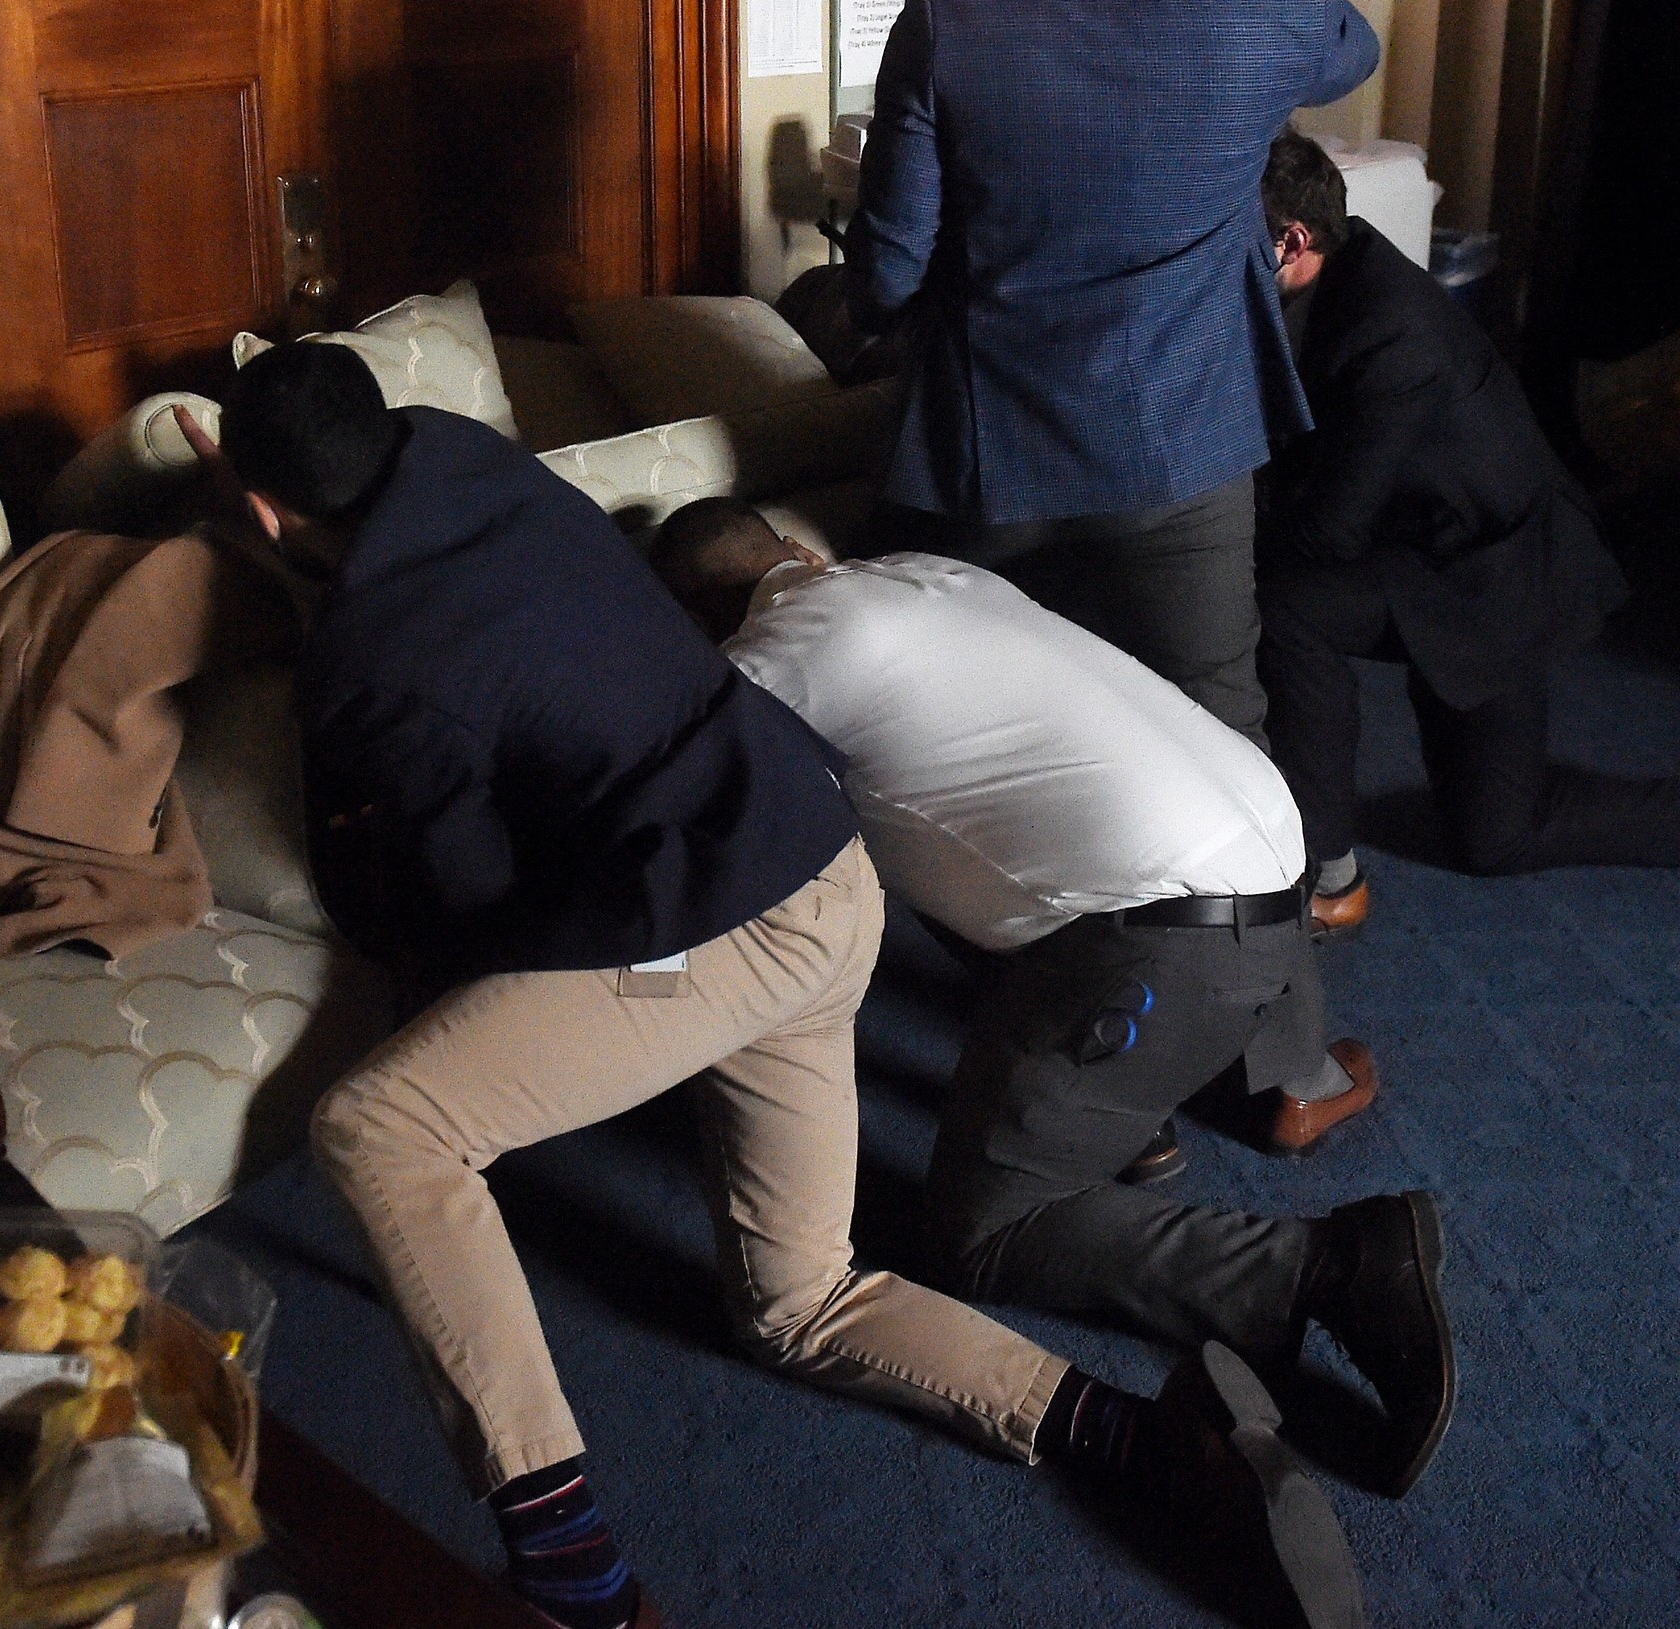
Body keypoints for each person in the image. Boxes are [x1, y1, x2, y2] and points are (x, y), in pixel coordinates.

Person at [205, 346, 1368, 1629]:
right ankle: (1152, 1445)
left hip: (718, 935)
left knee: (383, 1126)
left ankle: (576, 1579)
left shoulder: (369, 656)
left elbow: (459, 899)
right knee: (799, 1301)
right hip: (826, 876)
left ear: (262, 510)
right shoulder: (467, 456)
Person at [649, 501, 1458, 1500]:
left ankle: (1326, 1265)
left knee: (983, 1234)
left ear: (695, 622)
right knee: (951, 834)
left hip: (1174, 942)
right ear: (801, 552)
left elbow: (674, 833)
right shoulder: (921, 575)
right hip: (1265, 877)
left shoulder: (765, 667)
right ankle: (1127, 1122)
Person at [842, 0, 1378, 751]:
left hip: (990, 461)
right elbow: (1352, 49)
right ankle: (1252, 910)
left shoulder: (952, 7)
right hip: (1184, 453)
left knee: (935, 730)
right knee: (1218, 730)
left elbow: (883, 283)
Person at [1251, 133, 1680, 920]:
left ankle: (1327, 877)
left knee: (1491, 830)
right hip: (1421, 550)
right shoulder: (1330, 277)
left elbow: (1327, 534)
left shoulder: (1389, 329)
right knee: (1493, 830)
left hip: (1490, 578)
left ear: (1294, 242)